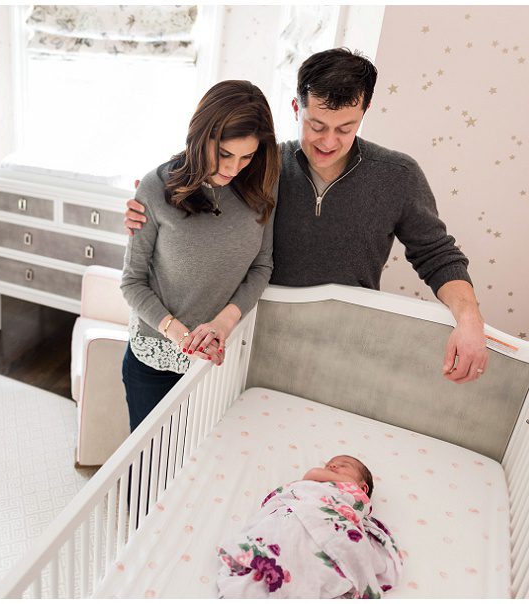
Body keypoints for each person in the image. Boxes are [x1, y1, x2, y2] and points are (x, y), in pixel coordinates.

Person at [125, 48, 489, 385]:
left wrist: (469, 319)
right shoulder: (262, 168)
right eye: (316, 125)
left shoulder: (397, 176)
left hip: (346, 349)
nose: (328, 142)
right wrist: (146, 201)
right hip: (254, 349)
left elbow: (437, 255)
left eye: (345, 129)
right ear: (297, 108)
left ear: (365, 112)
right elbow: (201, 171)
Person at [120, 80, 279, 433]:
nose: (234, 167)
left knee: (198, 466)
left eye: (247, 156)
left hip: (218, 359)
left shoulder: (262, 186)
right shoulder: (154, 187)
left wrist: (221, 325)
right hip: (155, 359)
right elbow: (131, 282)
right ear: (199, 135)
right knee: (150, 471)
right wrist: (181, 336)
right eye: (224, 154)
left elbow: (261, 266)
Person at [216, 455, 402, 598]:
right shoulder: (309, 486)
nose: (332, 465)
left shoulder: (353, 490)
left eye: (344, 465)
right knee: (284, 537)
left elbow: (312, 474)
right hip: (295, 515)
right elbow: (306, 483)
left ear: (364, 488)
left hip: (333, 526)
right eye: (329, 464)